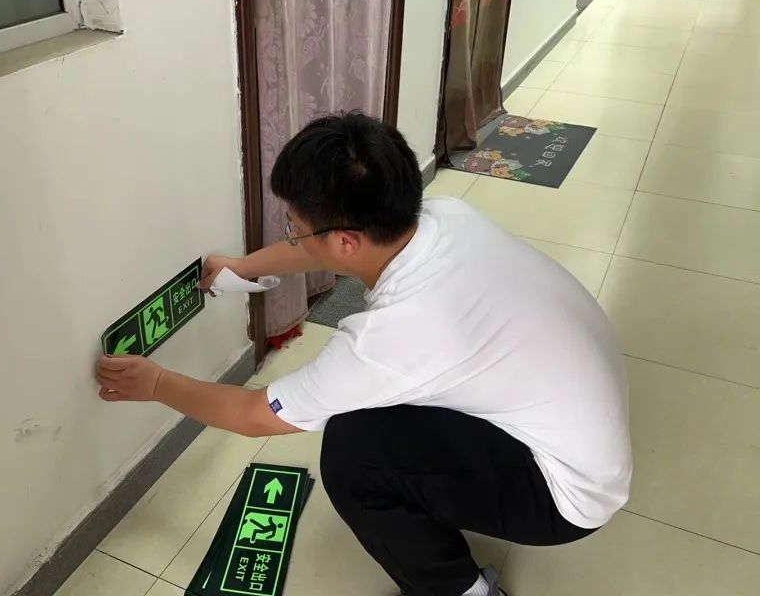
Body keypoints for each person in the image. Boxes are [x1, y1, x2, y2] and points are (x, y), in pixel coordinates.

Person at [95, 113, 632, 596]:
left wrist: (158, 384)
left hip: (565, 495)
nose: (293, 235)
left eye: (295, 227)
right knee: (376, 411)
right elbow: (320, 247)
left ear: (346, 242)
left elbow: (254, 416)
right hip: (569, 424)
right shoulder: (443, 215)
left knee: (353, 452)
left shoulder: (390, 339)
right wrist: (244, 264)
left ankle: (460, 590)